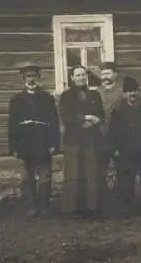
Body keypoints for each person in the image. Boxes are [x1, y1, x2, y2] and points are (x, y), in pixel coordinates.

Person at [8, 61, 60, 217]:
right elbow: (12, 125)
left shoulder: (47, 98)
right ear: (24, 79)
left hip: (43, 142)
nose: (31, 80)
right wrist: (14, 147)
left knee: (45, 176)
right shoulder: (16, 100)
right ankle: (31, 206)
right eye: (28, 76)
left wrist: (54, 144)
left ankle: (44, 206)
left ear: (38, 78)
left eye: (34, 76)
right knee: (27, 177)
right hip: (25, 143)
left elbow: (54, 122)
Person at [59, 65, 105, 218]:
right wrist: (85, 118)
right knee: (74, 173)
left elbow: (101, 115)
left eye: (83, 75)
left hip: (92, 138)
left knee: (91, 173)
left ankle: (92, 208)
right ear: (72, 78)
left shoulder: (94, 95)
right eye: (77, 75)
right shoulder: (66, 96)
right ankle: (72, 209)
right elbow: (66, 117)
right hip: (73, 139)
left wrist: (95, 120)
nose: (81, 78)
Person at [109, 76, 141, 215]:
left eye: (134, 91)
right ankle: (127, 206)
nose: (132, 95)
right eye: (129, 92)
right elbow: (112, 132)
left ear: (139, 92)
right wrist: (114, 149)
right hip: (125, 151)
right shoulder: (118, 111)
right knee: (125, 180)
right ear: (124, 94)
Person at [96, 62, 124, 212]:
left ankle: (120, 201)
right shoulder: (96, 92)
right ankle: (103, 202)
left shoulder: (122, 92)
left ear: (115, 74)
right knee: (100, 169)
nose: (105, 77)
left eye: (108, 73)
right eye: (103, 74)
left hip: (119, 138)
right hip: (100, 136)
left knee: (120, 169)